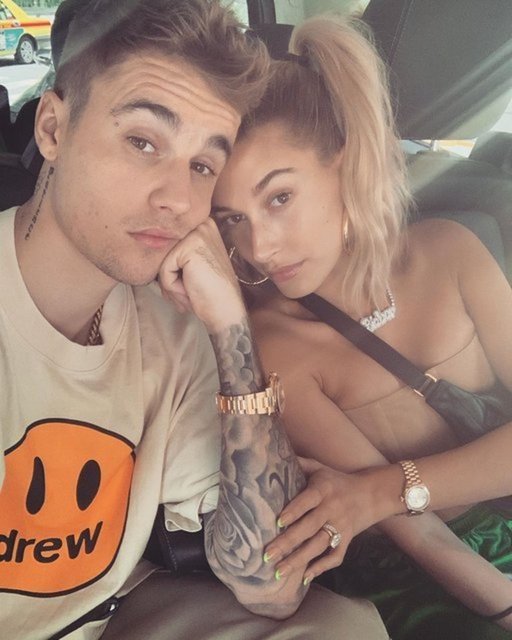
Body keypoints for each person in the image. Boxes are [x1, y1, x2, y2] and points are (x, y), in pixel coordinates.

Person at [0, 1, 391, 639]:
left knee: (343, 628)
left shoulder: (175, 329)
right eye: (142, 142)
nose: (178, 199)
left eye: (203, 166)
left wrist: (231, 325)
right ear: (52, 129)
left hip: (108, 613)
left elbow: (271, 588)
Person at [212, 12, 512, 640]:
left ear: (343, 166)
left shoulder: (453, 252)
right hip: (428, 579)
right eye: (232, 218)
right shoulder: (278, 346)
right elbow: (421, 538)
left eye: (279, 198)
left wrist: (380, 489)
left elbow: (373, 499)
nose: (259, 247)